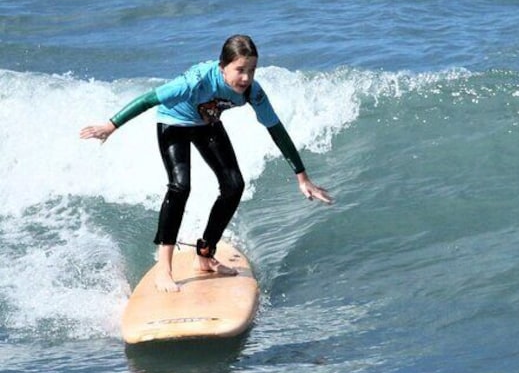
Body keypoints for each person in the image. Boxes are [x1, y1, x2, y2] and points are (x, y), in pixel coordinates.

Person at [80, 35, 332, 292]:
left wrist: (302, 177)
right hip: (174, 123)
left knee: (234, 185)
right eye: (240, 70)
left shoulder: (252, 92)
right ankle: (164, 268)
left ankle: (205, 254)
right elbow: (149, 99)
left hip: (207, 124)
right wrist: (110, 125)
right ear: (223, 68)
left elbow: (275, 129)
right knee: (180, 187)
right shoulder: (195, 82)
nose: (246, 78)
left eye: (252, 70)